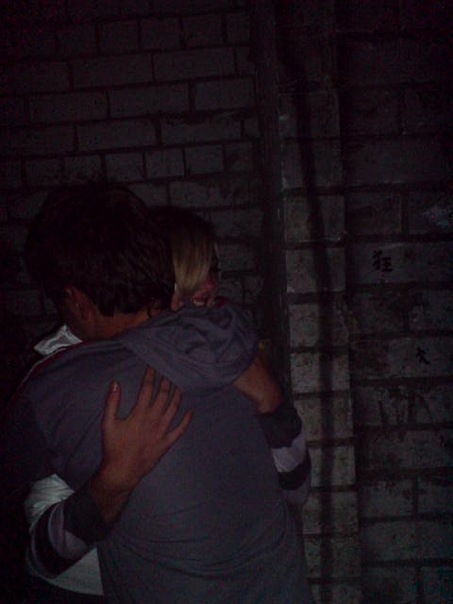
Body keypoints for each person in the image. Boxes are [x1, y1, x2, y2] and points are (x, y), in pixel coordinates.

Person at [0, 183, 313, 603]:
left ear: (75, 299)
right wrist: (273, 402)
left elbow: (41, 558)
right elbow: (297, 491)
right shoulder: (231, 335)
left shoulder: (57, 389)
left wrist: (110, 485)